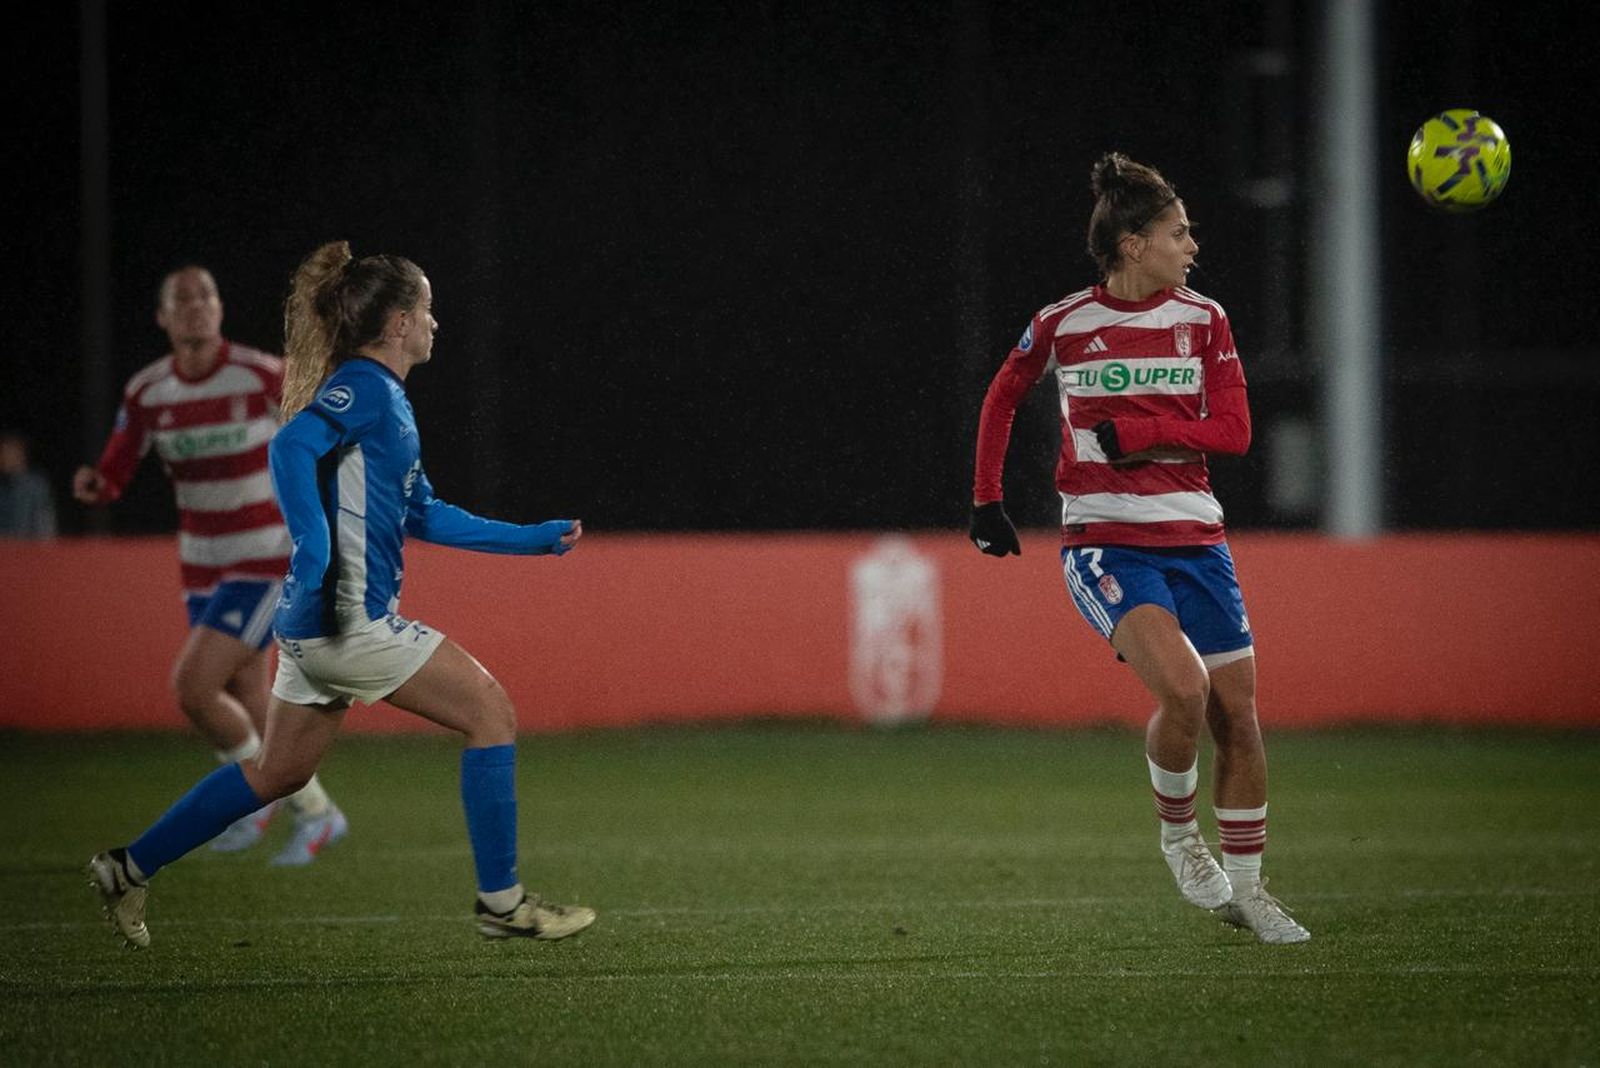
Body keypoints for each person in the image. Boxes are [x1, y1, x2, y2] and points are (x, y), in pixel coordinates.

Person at [87, 241, 596, 948]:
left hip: (313, 626)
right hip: (346, 617)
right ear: (396, 323)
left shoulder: (387, 400)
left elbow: (424, 513)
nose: (434, 325)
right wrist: (314, 541)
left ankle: (128, 866)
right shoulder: (362, 386)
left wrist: (531, 539)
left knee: (277, 774)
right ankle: (502, 902)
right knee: (490, 711)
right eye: (426, 311)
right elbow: (288, 446)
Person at [967, 153, 1309, 945]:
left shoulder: (1205, 319)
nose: (1192, 245)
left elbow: (1235, 432)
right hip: (1107, 544)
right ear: (1130, 244)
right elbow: (1003, 394)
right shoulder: (1064, 322)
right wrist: (987, 498)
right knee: (1186, 692)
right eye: (1177, 232)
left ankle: (1253, 893)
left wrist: (1149, 432)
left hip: (1198, 539)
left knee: (1239, 714)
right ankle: (1182, 843)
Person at [74, 266, 346, 866]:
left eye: (206, 297)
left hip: (266, 557)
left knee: (193, 687)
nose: (196, 307)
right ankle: (319, 814)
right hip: (201, 565)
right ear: (163, 318)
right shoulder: (148, 392)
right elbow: (117, 469)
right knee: (245, 691)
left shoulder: (258, 374)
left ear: (220, 310)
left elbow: (325, 426)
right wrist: (98, 484)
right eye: (182, 300)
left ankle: (260, 805)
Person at [0, 430, 58, 538]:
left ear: (21, 454)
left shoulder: (36, 486)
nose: (3, 458)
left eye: (8, 452)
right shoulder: (2, 487)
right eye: (2, 453)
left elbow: (45, 527)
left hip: (27, 550)